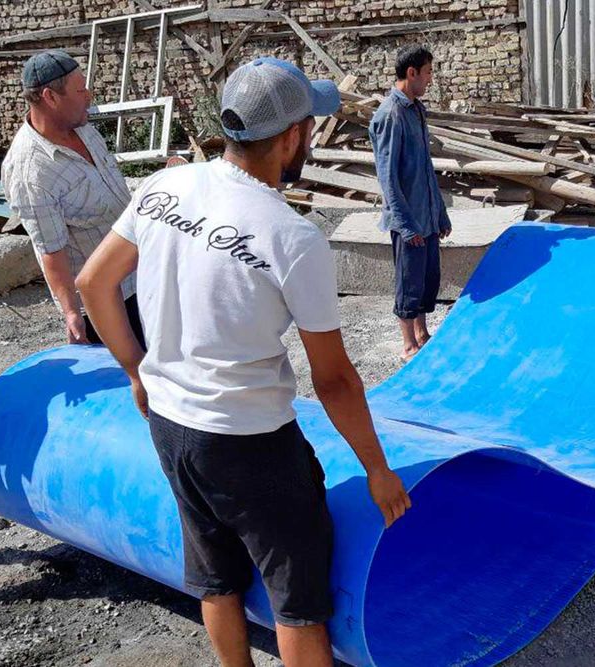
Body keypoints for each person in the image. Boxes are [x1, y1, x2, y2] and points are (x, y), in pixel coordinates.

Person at [76, 57, 411, 667]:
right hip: (250, 443)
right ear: (290, 137)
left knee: (214, 575)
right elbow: (333, 379)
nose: (310, 136)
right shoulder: (292, 236)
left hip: (171, 427)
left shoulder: (165, 186)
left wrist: (136, 370)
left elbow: (94, 282)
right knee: (298, 601)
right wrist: (378, 470)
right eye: (309, 125)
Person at [1, 49, 144, 348]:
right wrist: (71, 313)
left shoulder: (84, 129)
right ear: (50, 97)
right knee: (131, 379)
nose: (89, 96)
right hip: (105, 299)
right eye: (80, 90)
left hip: (141, 274)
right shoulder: (31, 171)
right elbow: (51, 250)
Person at [370, 44, 452, 361]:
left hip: (426, 216)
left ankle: (422, 333)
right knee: (408, 282)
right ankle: (408, 345)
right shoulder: (390, 116)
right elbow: (388, 178)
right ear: (411, 73)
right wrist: (405, 225)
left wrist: (440, 214)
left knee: (427, 279)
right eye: (428, 72)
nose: (430, 79)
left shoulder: (416, 110)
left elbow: (426, 170)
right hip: (408, 220)